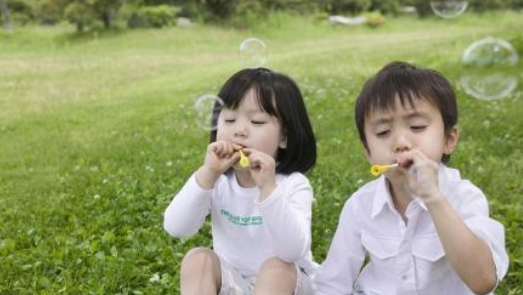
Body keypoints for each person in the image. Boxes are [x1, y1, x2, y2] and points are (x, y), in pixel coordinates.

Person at [314, 61, 508, 295]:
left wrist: (434, 197)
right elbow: (334, 281)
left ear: (449, 139)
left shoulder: (463, 197)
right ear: (368, 152)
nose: (401, 143)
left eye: (417, 126)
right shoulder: (360, 205)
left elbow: (482, 280)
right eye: (383, 132)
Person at [164, 68, 317, 295]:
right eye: (229, 119)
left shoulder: (293, 185)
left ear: (284, 137)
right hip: (235, 284)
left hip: (290, 284)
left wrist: (268, 189)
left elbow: (291, 251)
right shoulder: (217, 183)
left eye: (256, 121)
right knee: (198, 258)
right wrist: (208, 174)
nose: (239, 131)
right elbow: (176, 227)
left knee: (276, 268)